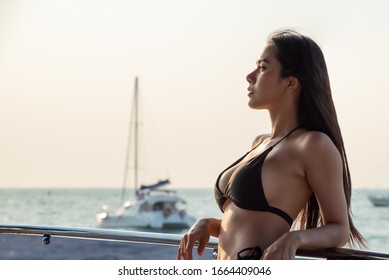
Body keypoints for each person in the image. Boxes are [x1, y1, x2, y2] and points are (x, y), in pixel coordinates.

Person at [177, 29, 365, 260]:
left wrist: (294, 238)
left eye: (263, 67)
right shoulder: (260, 142)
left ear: (291, 82)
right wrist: (209, 224)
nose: (250, 76)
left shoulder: (313, 145)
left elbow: (339, 228)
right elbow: (249, 224)